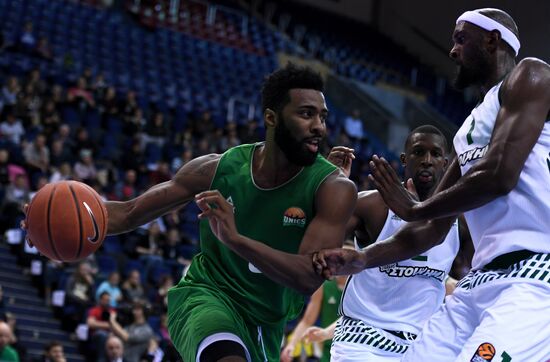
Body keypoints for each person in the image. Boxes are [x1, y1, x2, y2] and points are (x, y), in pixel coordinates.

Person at [25, 63, 357, 361]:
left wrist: (236, 239)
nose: (319, 127)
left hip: (267, 323)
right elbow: (127, 213)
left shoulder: (333, 188)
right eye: (306, 114)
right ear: (271, 118)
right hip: (207, 296)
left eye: (322, 116)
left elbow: (306, 278)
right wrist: (52, 219)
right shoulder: (217, 169)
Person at [315, 8, 550, 361]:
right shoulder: (469, 129)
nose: (453, 51)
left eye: (460, 39)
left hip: (534, 275)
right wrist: (362, 259)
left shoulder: (531, 75)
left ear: (492, 39)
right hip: (480, 280)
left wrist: (415, 207)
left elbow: (501, 175)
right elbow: (429, 230)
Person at [324, 126, 473, 361]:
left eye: (435, 154)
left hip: (422, 345)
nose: (427, 160)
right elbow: (319, 239)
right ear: (404, 159)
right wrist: (328, 184)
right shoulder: (372, 205)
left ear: (445, 163)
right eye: (418, 152)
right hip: (362, 340)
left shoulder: (459, 220)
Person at [280, 274, 347, 362]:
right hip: (329, 350)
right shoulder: (324, 286)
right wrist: (292, 344)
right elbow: (307, 321)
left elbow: (351, 319)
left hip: (355, 347)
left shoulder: (359, 287)